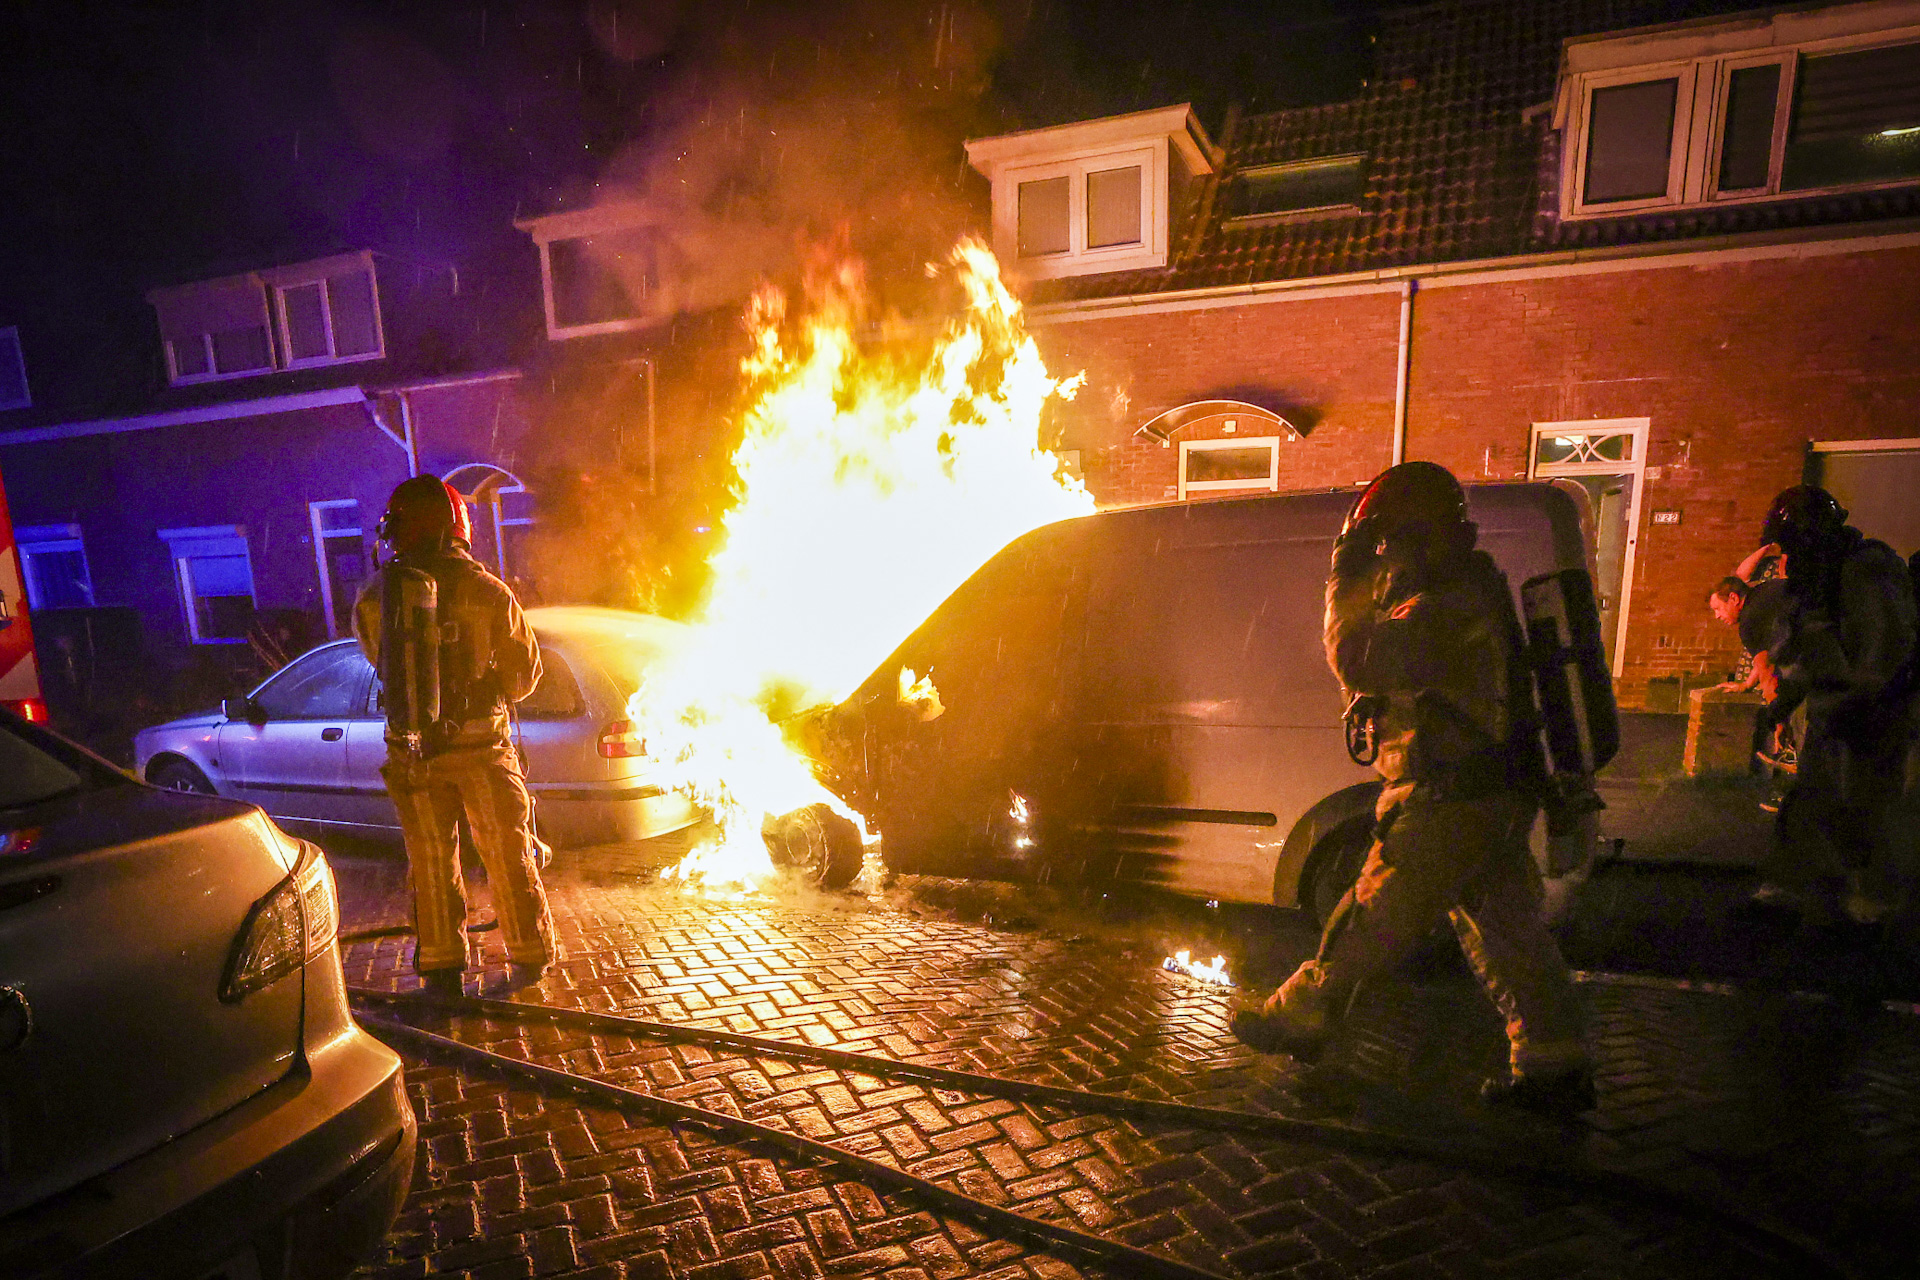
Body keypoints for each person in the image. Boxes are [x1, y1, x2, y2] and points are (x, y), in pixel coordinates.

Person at [1230, 461, 1591, 1115]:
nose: (1383, 561)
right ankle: (1556, 1065)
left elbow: (1357, 657)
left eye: (1386, 545)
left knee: (1367, 918)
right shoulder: (1466, 591)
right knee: (1510, 937)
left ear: (1416, 536)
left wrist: (1343, 574)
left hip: (1450, 804)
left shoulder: (1442, 606)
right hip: (1492, 798)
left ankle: (1299, 1018)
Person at [355, 476, 555, 986]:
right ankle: (528, 955)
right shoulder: (490, 592)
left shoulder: (377, 594)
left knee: (428, 856)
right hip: (481, 747)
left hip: (411, 748)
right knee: (506, 851)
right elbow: (524, 676)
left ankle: (442, 965)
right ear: (458, 527)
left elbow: (377, 655)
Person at [1739, 486, 1917, 927]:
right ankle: (1789, 892)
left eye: (1793, 540)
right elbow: (1811, 647)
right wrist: (1786, 702)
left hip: (1876, 714)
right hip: (1837, 710)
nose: (1790, 553)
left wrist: (1856, 700)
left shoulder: (1869, 572)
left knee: (1865, 805)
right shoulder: (1823, 573)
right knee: (1810, 801)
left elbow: (1884, 651)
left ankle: (1876, 909)